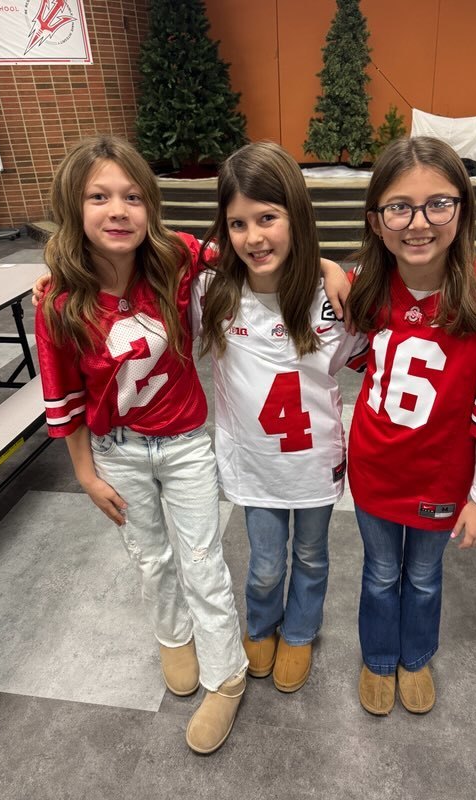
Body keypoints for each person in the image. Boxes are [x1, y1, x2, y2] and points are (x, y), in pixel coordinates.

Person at [34, 135, 249, 755]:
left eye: (132, 196)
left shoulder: (175, 260)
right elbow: (64, 397)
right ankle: (172, 635)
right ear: (74, 207)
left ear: (151, 206)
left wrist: (324, 265)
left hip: (183, 442)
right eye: (99, 197)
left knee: (203, 560)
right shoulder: (57, 299)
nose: (118, 210)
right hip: (117, 451)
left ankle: (226, 676)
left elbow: (250, 250)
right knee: (151, 559)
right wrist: (85, 473)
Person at [346, 136, 476, 716]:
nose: (418, 223)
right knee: (380, 573)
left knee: (423, 576)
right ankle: (378, 658)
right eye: (399, 207)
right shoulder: (366, 286)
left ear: (463, 208)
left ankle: (416, 655)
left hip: (442, 477)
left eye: (438, 204)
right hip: (375, 465)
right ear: (377, 220)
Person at [193, 141, 368, 693]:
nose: (254, 237)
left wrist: (326, 264)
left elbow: (351, 361)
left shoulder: (331, 297)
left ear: (296, 214)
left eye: (267, 217)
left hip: (314, 462)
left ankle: (300, 631)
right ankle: (263, 624)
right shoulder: (213, 294)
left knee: (313, 555)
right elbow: (147, 266)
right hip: (255, 464)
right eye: (238, 223)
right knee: (265, 562)